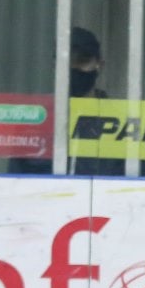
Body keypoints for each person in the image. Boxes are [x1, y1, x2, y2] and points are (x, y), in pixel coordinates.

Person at [9, 26, 130, 176]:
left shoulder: (121, 124)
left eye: (82, 61)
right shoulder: (34, 121)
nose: (73, 69)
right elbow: (15, 182)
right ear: (55, 65)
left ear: (100, 65)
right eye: (66, 62)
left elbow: (139, 184)